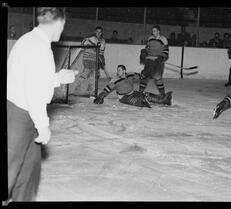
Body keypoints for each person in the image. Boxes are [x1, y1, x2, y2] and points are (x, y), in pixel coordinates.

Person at [6, 7, 78, 202]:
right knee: (10, 173)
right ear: (57, 23)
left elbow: (32, 78)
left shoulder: (29, 40)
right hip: (21, 116)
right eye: (63, 25)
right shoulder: (38, 47)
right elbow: (34, 92)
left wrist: (57, 78)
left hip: (20, 112)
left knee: (29, 174)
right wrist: (43, 126)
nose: (62, 30)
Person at [93, 65, 172, 107]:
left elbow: (140, 76)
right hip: (124, 97)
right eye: (117, 70)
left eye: (119, 70)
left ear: (124, 71)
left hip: (132, 92)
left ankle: (164, 100)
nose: (118, 72)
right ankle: (143, 103)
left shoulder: (130, 75)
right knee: (142, 101)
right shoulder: (115, 79)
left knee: (147, 95)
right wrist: (101, 96)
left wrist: (148, 73)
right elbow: (107, 89)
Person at [139, 25, 170, 99]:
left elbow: (166, 51)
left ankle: (162, 94)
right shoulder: (150, 38)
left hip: (158, 61)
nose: (153, 32)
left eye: (154, 31)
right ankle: (140, 92)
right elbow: (147, 48)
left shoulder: (163, 39)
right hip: (149, 60)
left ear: (159, 31)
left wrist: (161, 57)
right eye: (152, 31)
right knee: (145, 76)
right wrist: (144, 53)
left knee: (157, 77)